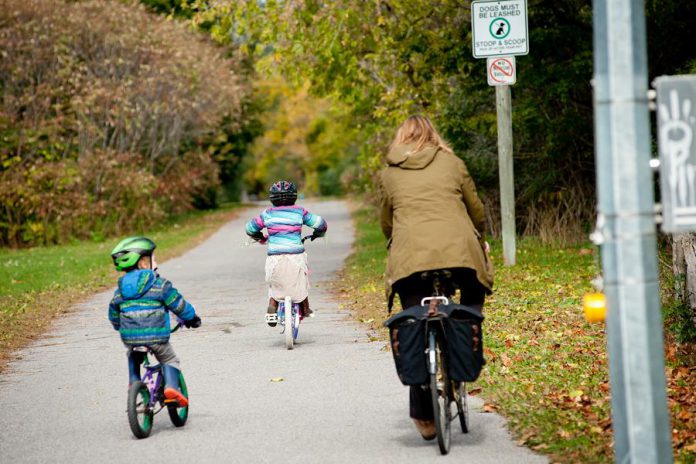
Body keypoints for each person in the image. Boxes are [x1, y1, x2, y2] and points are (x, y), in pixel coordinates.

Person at [379, 115, 494, 440]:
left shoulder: (389, 173)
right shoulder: (452, 162)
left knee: (414, 319)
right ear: (433, 135)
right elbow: (476, 209)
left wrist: (395, 239)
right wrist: (481, 237)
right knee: (471, 298)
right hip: (459, 251)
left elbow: (386, 222)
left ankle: (423, 417)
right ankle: (465, 339)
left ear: (400, 139)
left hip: (410, 257)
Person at [108, 236, 201, 407]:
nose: (156, 261)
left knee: (133, 355)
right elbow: (178, 304)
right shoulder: (160, 285)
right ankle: (172, 388)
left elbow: (114, 314)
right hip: (157, 336)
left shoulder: (119, 291)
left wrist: (119, 325)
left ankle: (134, 381)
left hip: (131, 338)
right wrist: (192, 318)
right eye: (153, 258)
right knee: (169, 359)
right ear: (143, 263)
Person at [246, 180, 327, 326]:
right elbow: (321, 223)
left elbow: (250, 228)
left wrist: (259, 236)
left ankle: (273, 306)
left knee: (274, 283)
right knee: (302, 278)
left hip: (274, 257)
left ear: (272, 198)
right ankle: (306, 308)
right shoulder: (300, 212)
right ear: (294, 196)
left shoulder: (267, 214)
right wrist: (318, 233)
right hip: (296, 255)